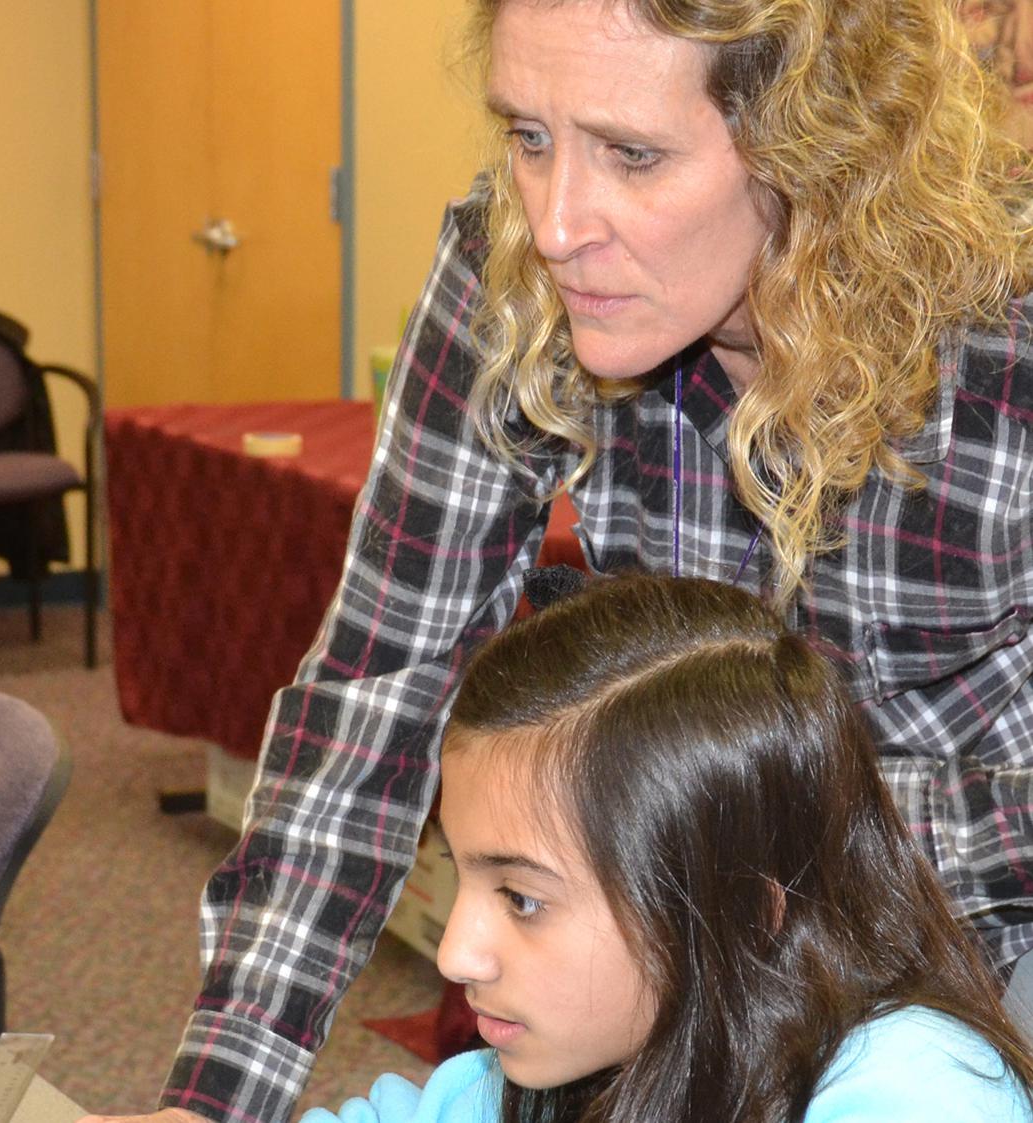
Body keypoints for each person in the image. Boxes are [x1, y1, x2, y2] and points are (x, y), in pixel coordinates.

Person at [80, 1, 1033, 1120]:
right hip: (685, 932)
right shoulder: (517, 259)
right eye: (529, 137)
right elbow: (381, 683)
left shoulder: (1002, 319)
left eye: (633, 153)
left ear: (823, 145)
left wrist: (785, 836)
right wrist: (217, 1098)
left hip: (981, 932)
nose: (556, 221)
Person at [299, 574, 1033, 1123]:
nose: (456, 954)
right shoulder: (546, 1074)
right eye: (459, 872)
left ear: (741, 913)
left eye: (523, 899)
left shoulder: (921, 1090)